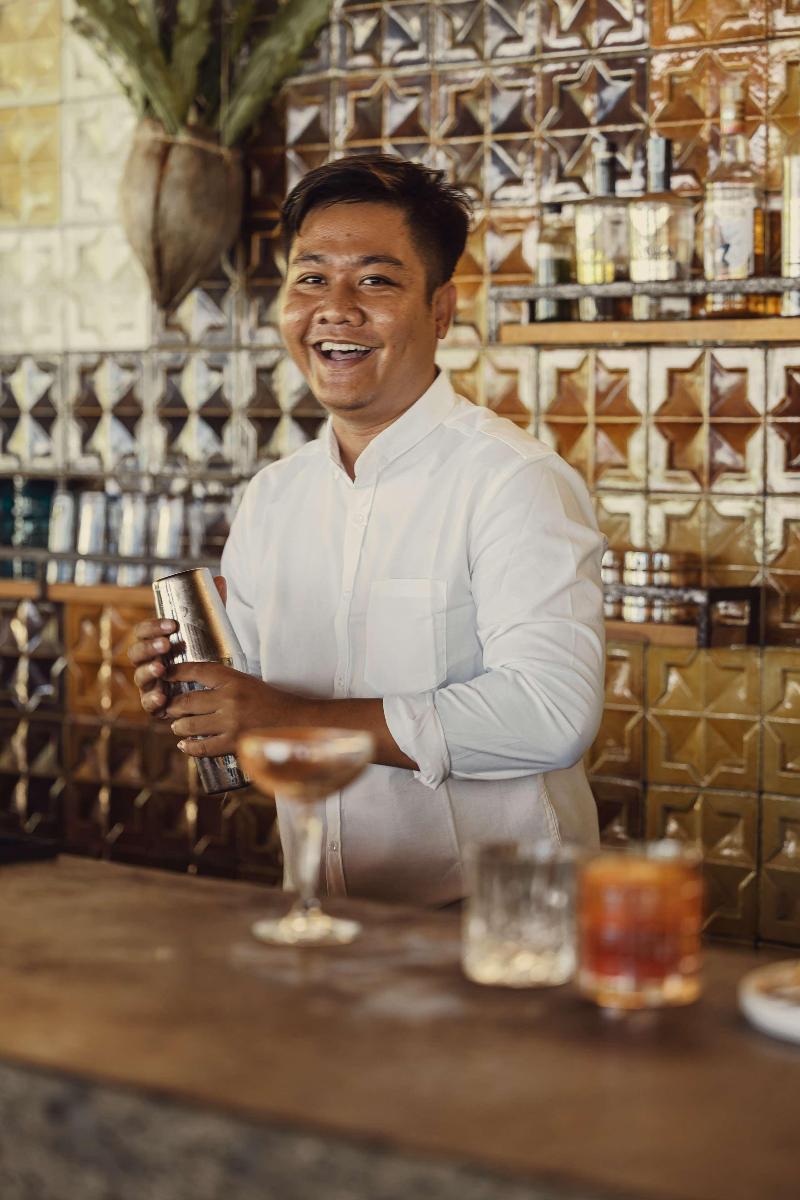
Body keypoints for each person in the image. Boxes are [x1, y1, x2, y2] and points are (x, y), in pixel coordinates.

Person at [129, 154, 605, 907]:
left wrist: (291, 717)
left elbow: (550, 714)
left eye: (376, 280)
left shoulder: (514, 481)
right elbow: (256, 701)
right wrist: (199, 691)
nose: (336, 308)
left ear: (440, 311)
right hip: (325, 906)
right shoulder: (274, 497)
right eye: (311, 278)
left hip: (497, 918)